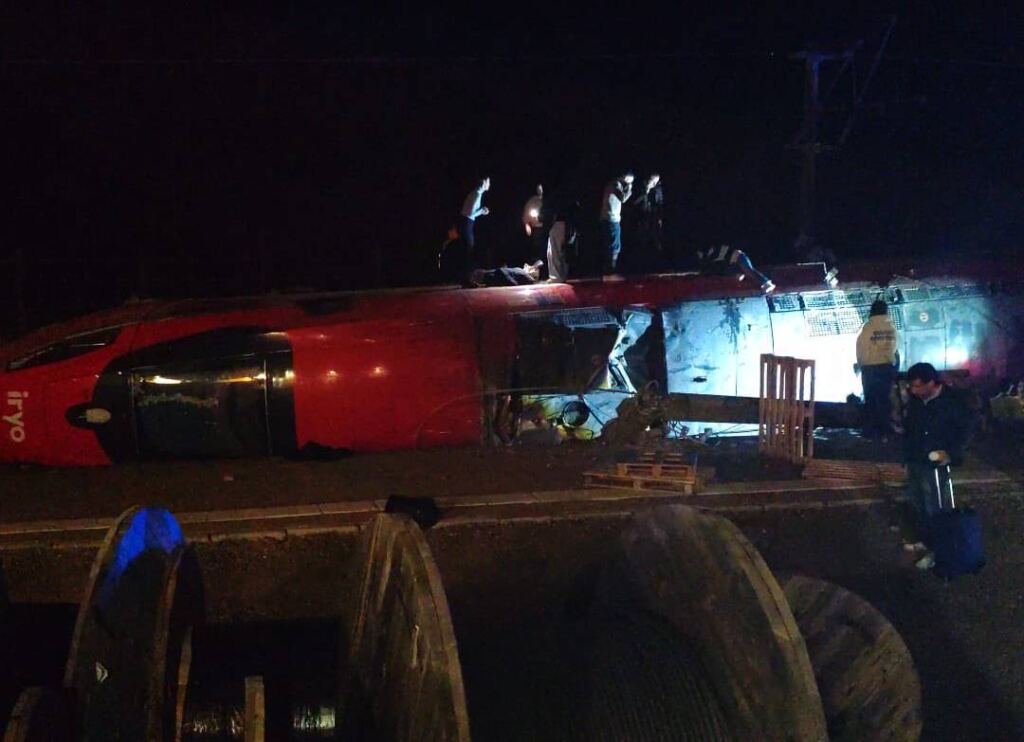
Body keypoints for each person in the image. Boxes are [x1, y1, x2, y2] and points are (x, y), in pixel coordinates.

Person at [902, 362, 970, 567]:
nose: (913, 390)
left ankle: (940, 550)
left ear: (931, 383)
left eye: (917, 386)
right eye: (911, 386)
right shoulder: (916, 401)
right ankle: (926, 540)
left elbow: (965, 432)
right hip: (916, 459)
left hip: (936, 462)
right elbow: (910, 429)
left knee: (937, 507)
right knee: (918, 504)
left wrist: (951, 453)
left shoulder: (952, 401)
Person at [855, 299, 900, 438]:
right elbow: (894, 348)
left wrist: (861, 365)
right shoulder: (891, 328)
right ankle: (886, 428)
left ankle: (871, 430)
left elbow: (861, 349)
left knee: (871, 399)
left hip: (870, 369)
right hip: (887, 367)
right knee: (885, 399)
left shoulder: (868, 328)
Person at [696, 244, 775, 293]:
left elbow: (713, 265)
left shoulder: (713, 252)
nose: (700, 257)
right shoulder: (712, 255)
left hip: (740, 257)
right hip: (734, 263)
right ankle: (742, 276)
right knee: (734, 274)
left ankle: (767, 283)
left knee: (749, 271)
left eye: (700, 255)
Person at [625, 173, 664, 273]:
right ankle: (641, 265)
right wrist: (645, 192)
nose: (654, 183)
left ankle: (658, 264)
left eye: (656, 182)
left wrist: (659, 217)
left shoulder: (658, 189)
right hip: (642, 218)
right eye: (653, 181)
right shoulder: (641, 188)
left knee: (656, 239)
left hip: (653, 218)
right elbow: (634, 202)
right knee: (642, 239)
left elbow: (660, 203)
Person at [599, 172, 634, 274]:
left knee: (609, 244)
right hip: (611, 219)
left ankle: (608, 268)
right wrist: (629, 188)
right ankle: (611, 268)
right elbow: (623, 198)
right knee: (614, 245)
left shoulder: (611, 184)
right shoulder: (615, 184)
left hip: (607, 218)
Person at [457, 177, 491, 263]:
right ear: (484, 183)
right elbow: (470, 214)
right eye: (488, 182)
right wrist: (482, 211)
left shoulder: (474, 193)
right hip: (467, 223)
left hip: (465, 222)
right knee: (468, 250)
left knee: (466, 249)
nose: (489, 184)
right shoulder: (477, 194)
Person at [546, 201, 580, 282]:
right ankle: (563, 275)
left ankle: (557, 277)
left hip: (560, 222)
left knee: (555, 252)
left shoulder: (559, 200)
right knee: (563, 250)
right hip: (569, 223)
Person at [521, 184, 546, 263]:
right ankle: (535, 265)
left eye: (541, 188)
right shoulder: (532, 200)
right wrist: (526, 224)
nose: (540, 190)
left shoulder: (547, 200)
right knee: (536, 247)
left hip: (548, 227)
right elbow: (526, 213)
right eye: (538, 188)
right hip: (536, 227)